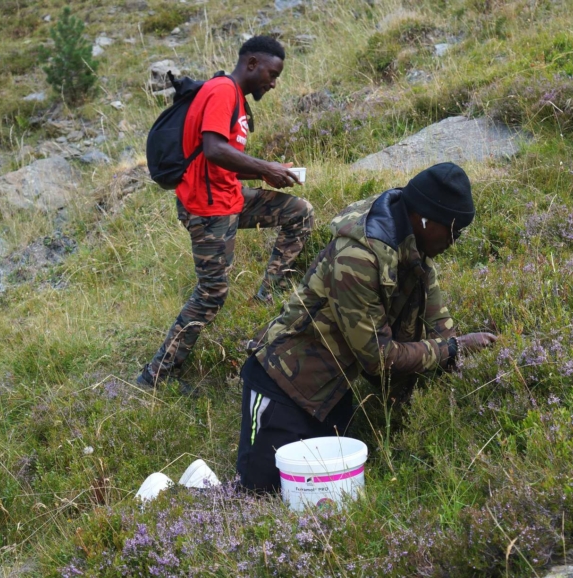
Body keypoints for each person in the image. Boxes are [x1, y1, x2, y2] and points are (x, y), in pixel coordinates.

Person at [235, 162, 499, 492]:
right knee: (257, 495)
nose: (454, 241)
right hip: (283, 384)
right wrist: (453, 348)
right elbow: (380, 358)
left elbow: (438, 321)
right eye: (453, 231)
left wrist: (461, 357)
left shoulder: (413, 245)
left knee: (325, 497)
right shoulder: (358, 259)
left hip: (333, 392)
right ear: (426, 219)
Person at [137, 36, 313, 389]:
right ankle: (155, 377)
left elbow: (219, 160)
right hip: (207, 209)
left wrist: (268, 172)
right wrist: (264, 167)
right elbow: (214, 149)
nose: (273, 83)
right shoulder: (222, 91)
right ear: (252, 63)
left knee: (299, 213)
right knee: (211, 294)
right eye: (272, 74)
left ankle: (267, 297)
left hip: (228, 197)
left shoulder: (234, 97)